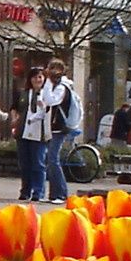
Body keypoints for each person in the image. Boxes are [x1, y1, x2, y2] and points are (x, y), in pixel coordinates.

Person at [40, 60, 80, 197]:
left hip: (59, 127)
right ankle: (54, 193)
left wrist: (47, 83)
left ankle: (60, 193)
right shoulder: (58, 85)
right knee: (51, 159)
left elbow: (51, 100)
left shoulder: (62, 87)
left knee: (53, 159)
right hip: (54, 126)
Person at [11, 66, 50, 201]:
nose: (37, 80)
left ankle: (38, 192)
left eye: (40, 77)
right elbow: (14, 108)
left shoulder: (48, 94)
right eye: (34, 77)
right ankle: (25, 191)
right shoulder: (23, 93)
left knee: (38, 163)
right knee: (25, 164)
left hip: (40, 133)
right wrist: (14, 119)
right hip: (23, 131)